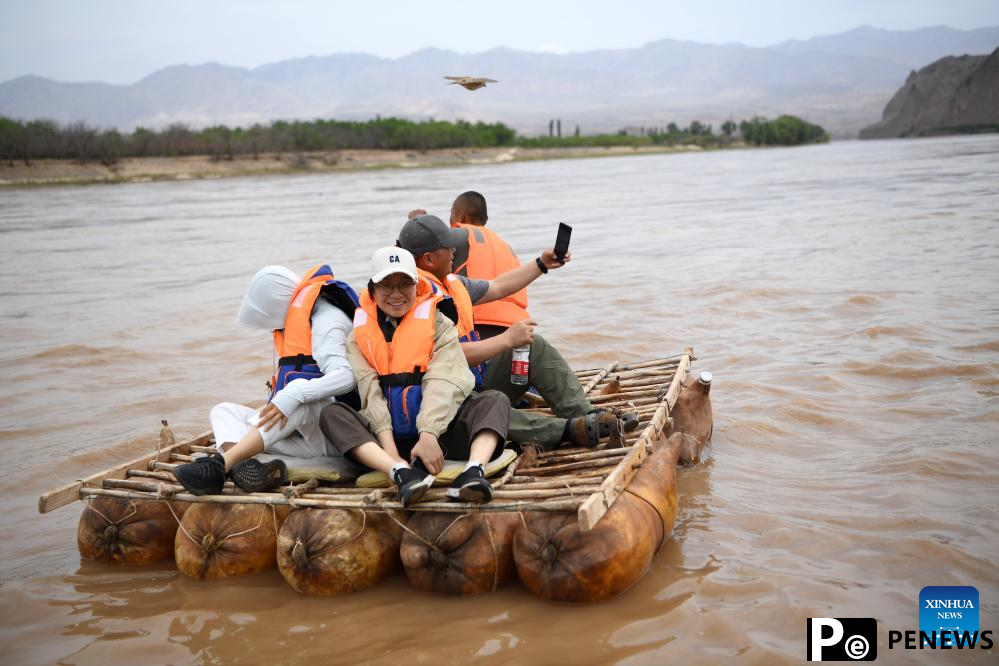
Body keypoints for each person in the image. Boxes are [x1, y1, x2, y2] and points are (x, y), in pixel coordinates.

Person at [398, 214, 636, 450]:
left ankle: (588, 414)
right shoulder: (409, 300)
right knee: (490, 405)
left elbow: (499, 286)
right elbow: (446, 357)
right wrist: (506, 339)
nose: (454, 252)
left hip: (473, 385)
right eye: (448, 247)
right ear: (429, 259)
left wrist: (541, 264)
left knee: (531, 346)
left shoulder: (451, 283)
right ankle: (571, 430)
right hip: (447, 405)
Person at [319, 247, 510, 506]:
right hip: (386, 439)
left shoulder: (439, 324)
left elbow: (443, 380)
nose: (396, 294)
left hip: (438, 433)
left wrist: (429, 434)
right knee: (332, 414)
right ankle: (399, 472)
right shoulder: (358, 336)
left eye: (404, 285)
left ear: (416, 286)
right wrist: (392, 454)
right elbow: (369, 393)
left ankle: (473, 471)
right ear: (373, 290)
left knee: (494, 400)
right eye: (387, 286)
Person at [172, 264, 362, 495]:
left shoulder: (327, 322)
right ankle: (245, 465)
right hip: (304, 435)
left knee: (297, 393)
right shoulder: (297, 321)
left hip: (336, 434)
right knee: (223, 411)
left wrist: (294, 394)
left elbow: (347, 376)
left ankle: (220, 466)